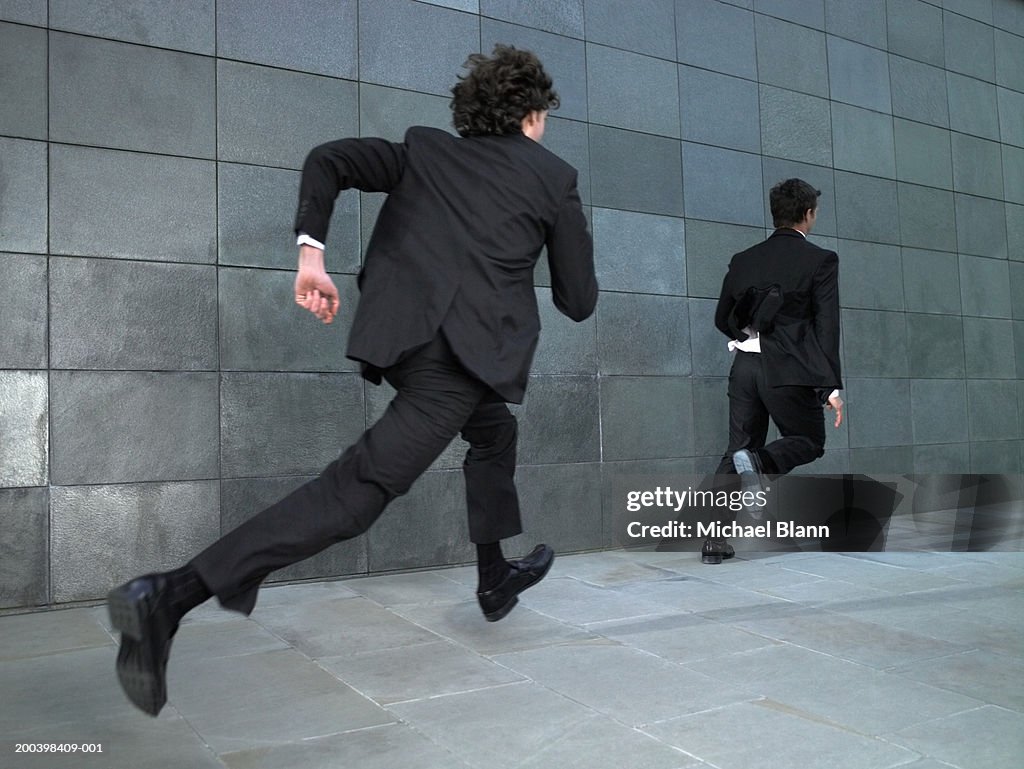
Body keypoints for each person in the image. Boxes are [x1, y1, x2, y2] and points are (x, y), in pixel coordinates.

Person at [107, 44, 597, 717]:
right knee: (357, 492)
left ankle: (493, 577)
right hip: (458, 362)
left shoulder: (426, 150)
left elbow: (329, 159)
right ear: (534, 115)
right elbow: (579, 298)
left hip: (401, 340)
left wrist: (312, 253)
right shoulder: (552, 176)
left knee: (494, 435)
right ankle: (169, 594)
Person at [702, 178, 843, 564]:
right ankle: (760, 464)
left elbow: (721, 318)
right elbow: (826, 327)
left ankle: (714, 543)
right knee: (808, 440)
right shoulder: (821, 260)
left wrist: (748, 337)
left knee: (736, 449)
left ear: (775, 212)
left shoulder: (744, 260)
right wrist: (828, 385)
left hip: (745, 366)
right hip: (789, 369)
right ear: (809, 213)